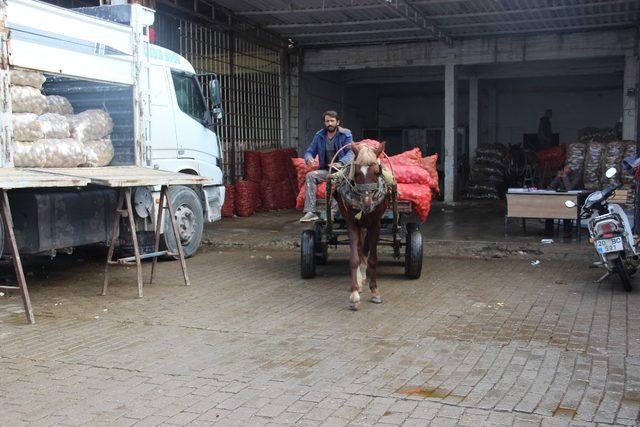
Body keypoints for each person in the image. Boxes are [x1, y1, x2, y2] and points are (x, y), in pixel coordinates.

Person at [299, 111, 354, 222]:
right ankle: (310, 212)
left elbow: (351, 152)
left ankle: (331, 213)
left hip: (343, 170)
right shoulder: (319, 135)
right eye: (327, 121)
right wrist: (309, 158)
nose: (329, 123)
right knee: (310, 175)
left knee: (341, 181)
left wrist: (341, 163)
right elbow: (310, 151)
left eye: (332, 121)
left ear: (337, 122)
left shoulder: (346, 134)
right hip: (327, 170)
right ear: (324, 122)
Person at [544, 164, 582, 238]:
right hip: (562, 198)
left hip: (575, 200)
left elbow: (570, 189)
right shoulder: (561, 175)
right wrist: (557, 178)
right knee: (550, 207)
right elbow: (551, 187)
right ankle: (548, 230)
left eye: (566, 168)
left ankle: (567, 231)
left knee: (566, 209)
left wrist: (565, 177)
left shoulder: (576, 176)